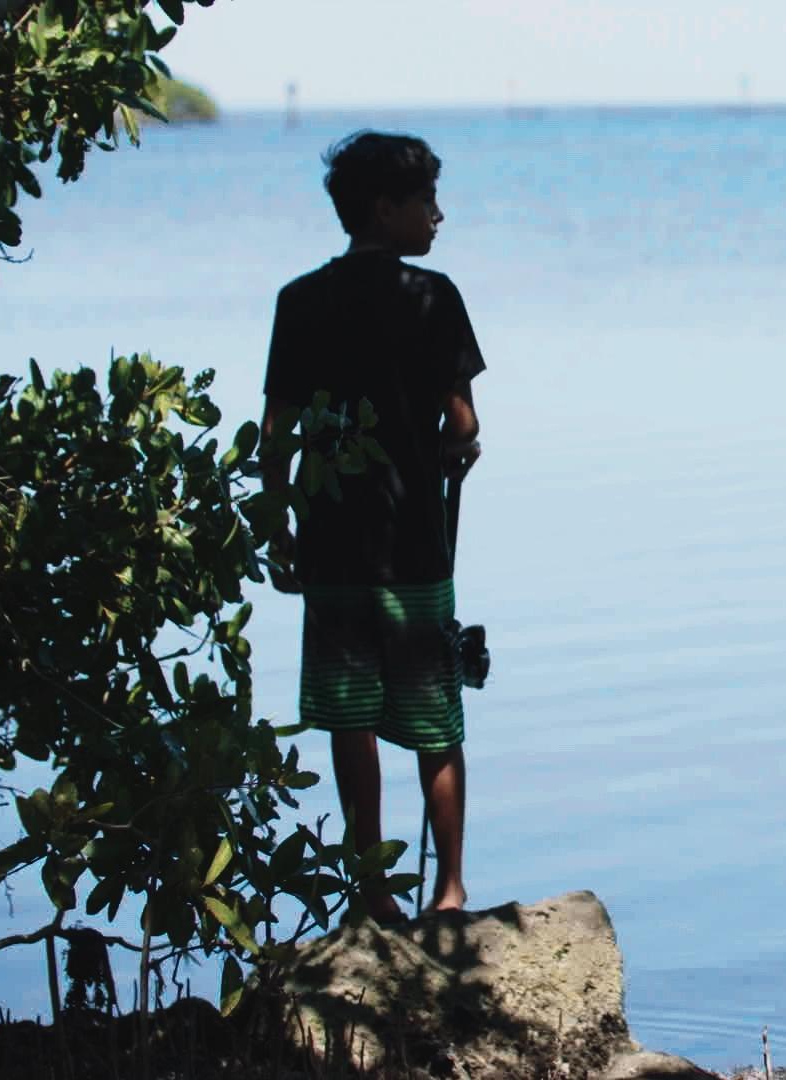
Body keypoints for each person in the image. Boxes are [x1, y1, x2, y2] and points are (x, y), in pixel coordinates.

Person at [261, 131, 485, 921]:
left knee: (350, 719)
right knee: (434, 717)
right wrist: (458, 448)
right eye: (425, 200)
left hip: (330, 546)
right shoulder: (434, 297)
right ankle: (450, 890)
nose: (438, 215)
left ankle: (370, 890)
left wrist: (278, 527)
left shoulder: (300, 300)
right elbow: (460, 422)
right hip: (416, 546)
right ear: (384, 209)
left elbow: (275, 434)